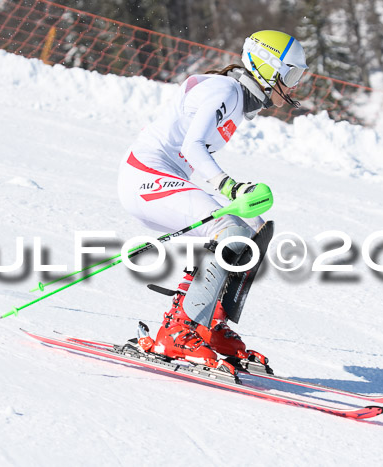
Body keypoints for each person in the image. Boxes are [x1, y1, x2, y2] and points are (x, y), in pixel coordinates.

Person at [117, 30, 308, 373]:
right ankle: (179, 330)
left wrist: (232, 195)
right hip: (145, 177)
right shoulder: (226, 91)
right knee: (230, 230)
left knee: (254, 230)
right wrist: (232, 189)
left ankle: (208, 323)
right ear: (267, 68)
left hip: (165, 180)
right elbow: (193, 147)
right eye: (291, 75)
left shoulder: (235, 97)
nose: (294, 86)